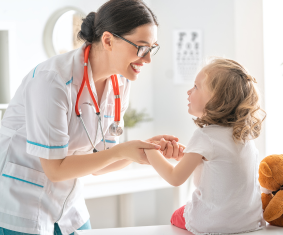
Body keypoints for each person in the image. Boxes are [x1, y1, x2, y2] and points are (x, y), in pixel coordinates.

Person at [0, 0, 184, 234]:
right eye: (141, 47)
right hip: (20, 202)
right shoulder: (52, 80)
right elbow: (55, 169)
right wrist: (122, 150)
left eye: (151, 48)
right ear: (108, 40)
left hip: (68, 204)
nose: (147, 59)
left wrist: (146, 151)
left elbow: (101, 164)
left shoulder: (120, 84)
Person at [145, 58, 267, 234]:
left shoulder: (204, 136)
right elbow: (221, 164)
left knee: (175, 216)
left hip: (214, 225)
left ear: (216, 99)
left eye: (196, 87)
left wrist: (150, 150)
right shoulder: (244, 134)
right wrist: (186, 155)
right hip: (250, 223)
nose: (188, 91)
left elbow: (175, 178)